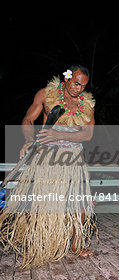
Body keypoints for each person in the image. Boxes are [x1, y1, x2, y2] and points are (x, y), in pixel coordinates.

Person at [0, 65, 96, 267]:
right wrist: (28, 140)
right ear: (67, 78)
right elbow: (28, 119)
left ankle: (75, 245)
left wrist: (59, 134)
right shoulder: (46, 94)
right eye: (76, 83)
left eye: (83, 86)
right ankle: (34, 243)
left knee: (79, 205)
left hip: (73, 158)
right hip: (47, 156)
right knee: (38, 202)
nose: (79, 89)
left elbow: (87, 134)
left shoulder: (87, 104)